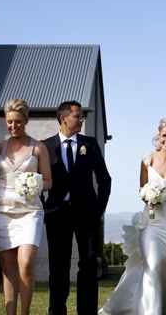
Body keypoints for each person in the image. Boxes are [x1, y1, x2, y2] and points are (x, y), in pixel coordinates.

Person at [99, 117, 166, 314]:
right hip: (151, 223)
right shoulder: (147, 160)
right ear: (158, 135)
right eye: (164, 135)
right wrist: (150, 198)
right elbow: (142, 191)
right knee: (153, 266)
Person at [42, 101, 112, 315]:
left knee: (89, 265)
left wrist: (98, 210)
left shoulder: (89, 144)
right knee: (58, 266)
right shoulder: (45, 146)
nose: (82, 119)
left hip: (87, 215)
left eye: (82, 116)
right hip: (56, 215)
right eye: (78, 116)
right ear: (64, 118)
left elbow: (104, 180)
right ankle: (57, 310)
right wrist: (45, 207)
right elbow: (37, 180)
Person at [0, 99, 52, 315]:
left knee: (25, 263)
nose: (13, 126)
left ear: (26, 121)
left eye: (17, 122)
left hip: (30, 211)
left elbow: (48, 181)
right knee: (8, 269)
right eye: (9, 122)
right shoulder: (0, 146)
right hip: (2, 211)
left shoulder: (38, 147)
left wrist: (32, 185)